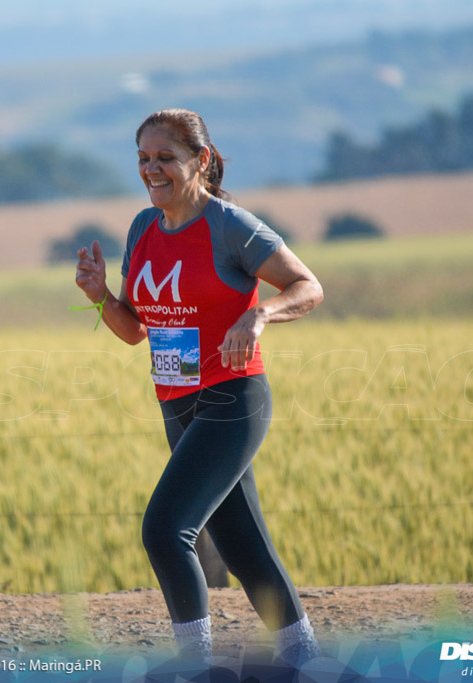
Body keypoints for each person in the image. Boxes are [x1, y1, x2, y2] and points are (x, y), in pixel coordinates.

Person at [74, 108, 324, 667]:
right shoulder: (142, 227)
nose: (151, 169)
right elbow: (137, 331)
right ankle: (312, 662)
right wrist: (100, 296)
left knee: (165, 531)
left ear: (201, 161)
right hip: (176, 402)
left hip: (233, 398)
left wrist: (259, 315)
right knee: (244, 550)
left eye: (166, 157)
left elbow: (308, 286)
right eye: (143, 158)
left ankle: (197, 667)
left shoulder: (231, 226)